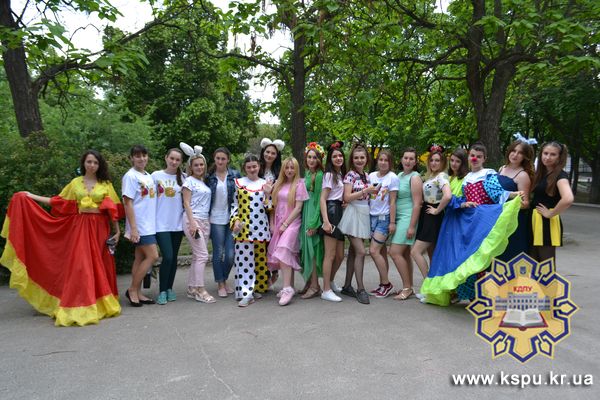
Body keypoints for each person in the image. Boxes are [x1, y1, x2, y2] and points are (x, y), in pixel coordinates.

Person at [0, 150, 123, 326]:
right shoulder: (75, 183)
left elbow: (113, 211)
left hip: (100, 229)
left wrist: (116, 232)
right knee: (81, 266)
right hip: (81, 228)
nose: (92, 165)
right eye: (89, 162)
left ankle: (98, 303)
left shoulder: (106, 184)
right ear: (84, 163)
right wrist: (30, 196)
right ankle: (79, 305)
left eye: (95, 162)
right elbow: (57, 201)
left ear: (99, 165)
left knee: (98, 265)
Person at [421, 143, 523, 306]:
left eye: (479, 156)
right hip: (466, 220)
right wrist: (463, 204)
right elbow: (458, 198)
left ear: (484, 159)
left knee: (479, 257)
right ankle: (468, 294)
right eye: (472, 155)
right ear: (468, 157)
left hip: (482, 219)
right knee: (466, 257)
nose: (475, 159)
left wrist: (514, 194)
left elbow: (497, 193)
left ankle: (482, 296)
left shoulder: (488, 174)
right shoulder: (467, 178)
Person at [338, 143, 379, 305]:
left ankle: (347, 286)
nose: (359, 160)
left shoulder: (366, 176)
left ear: (366, 159)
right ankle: (361, 288)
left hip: (363, 213)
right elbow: (347, 197)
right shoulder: (350, 175)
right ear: (352, 159)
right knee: (361, 251)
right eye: (356, 158)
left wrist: (374, 193)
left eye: (362, 157)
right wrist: (365, 191)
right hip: (353, 214)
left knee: (354, 252)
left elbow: (367, 196)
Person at [230, 154, 271, 307]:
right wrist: (235, 220)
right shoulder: (239, 183)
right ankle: (246, 293)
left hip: (260, 229)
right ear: (244, 168)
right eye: (249, 167)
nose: (252, 169)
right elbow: (234, 205)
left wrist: (268, 194)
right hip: (243, 230)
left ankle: (256, 288)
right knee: (244, 261)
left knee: (260, 261)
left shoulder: (265, 183)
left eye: (254, 166)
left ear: (259, 167)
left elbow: (269, 207)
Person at [267, 157, 309, 306]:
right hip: (279, 221)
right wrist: (273, 223)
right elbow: (272, 205)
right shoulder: (278, 184)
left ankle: (287, 289)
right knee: (285, 254)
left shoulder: (299, 184)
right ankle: (290, 285)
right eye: (287, 167)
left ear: (296, 169)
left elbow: (298, 208)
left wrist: (286, 224)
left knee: (283, 251)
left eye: (292, 167)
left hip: (292, 223)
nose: (289, 170)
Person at [122, 145, 159, 307]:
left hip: (149, 224)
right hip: (139, 225)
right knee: (153, 256)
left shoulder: (147, 176)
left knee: (140, 257)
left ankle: (137, 292)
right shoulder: (130, 176)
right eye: (137, 156)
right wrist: (134, 228)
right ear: (131, 158)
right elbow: (128, 203)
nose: (142, 159)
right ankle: (132, 289)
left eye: (144, 155)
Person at [410, 145, 452, 288]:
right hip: (426, 215)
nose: (434, 163)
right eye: (432, 160)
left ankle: (428, 285)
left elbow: (447, 196)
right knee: (432, 254)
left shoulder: (441, 176)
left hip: (433, 217)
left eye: (437, 160)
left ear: (443, 162)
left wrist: (437, 210)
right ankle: (436, 287)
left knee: (415, 252)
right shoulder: (431, 176)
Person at [180, 143, 215, 304]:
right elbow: (186, 203)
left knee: (196, 256)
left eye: (201, 164)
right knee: (202, 255)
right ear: (191, 167)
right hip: (192, 219)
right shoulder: (189, 181)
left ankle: (192, 288)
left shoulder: (202, 182)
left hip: (205, 220)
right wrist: (192, 223)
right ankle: (200, 289)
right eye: (196, 165)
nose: (199, 167)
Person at [530, 141, 574, 264]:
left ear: (559, 157)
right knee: (532, 263)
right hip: (534, 220)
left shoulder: (560, 176)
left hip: (546, 223)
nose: (548, 157)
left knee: (545, 266)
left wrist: (551, 213)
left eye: (553, 154)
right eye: (545, 153)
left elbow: (568, 198)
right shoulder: (542, 173)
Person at [206, 147, 241, 298]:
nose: (220, 161)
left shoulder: (235, 175)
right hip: (215, 219)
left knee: (230, 254)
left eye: (223, 159)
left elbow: (241, 195)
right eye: (218, 158)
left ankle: (224, 278)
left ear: (228, 160)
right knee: (218, 252)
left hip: (232, 218)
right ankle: (220, 283)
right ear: (214, 159)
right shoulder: (209, 177)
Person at [389, 148, 423, 300]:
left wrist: (411, 226)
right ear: (401, 159)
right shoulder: (399, 176)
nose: (408, 161)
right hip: (398, 217)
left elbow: (417, 204)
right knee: (403, 254)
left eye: (411, 159)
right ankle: (409, 286)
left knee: (394, 252)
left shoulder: (415, 177)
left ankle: (407, 288)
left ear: (415, 162)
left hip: (408, 218)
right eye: (406, 158)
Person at [152, 148, 185, 305]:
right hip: (161, 224)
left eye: (177, 160)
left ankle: (170, 288)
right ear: (166, 158)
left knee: (174, 259)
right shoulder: (155, 176)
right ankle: (162, 291)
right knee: (168, 256)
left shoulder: (184, 178)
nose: (174, 162)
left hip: (177, 224)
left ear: (181, 162)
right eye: (172, 158)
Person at [367, 149, 399, 298]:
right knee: (381, 252)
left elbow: (392, 201)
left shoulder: (392, 178)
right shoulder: (371, 176)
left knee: (373, 251)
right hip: (371, 217)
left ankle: (386, 284)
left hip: (384, 218)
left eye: (386, 160)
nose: (383, 162)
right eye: (381, 159)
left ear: (390, 162)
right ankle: (382, 284)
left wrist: (392, 222)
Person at [497, 138, 535, 261]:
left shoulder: (523, 175)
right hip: (498, 219)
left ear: (525, 157)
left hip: (514, 222)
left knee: (510, 256)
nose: (515, 155)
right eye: (513, 151)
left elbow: (526, 203)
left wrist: (508, 205)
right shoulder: (501, 168)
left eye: (520, 153)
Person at [319, 141, 346, 302]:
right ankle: (326, 290)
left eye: (340, 155)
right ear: (330, 159)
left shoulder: (340, 174)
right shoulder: (329, 175)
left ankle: (330, 281)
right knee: (330, 255)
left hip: (339, 212)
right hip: (331, 212)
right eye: (335, 156)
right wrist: (326, 221)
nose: (338, 158)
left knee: (340, 255)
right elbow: (323, 199)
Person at [299, 142, 325, 299]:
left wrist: (314, 223)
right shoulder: (307, 174)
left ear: (319, 159)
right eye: (309, 157)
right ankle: (309, 282)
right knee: (305, 250)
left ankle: (315, 286)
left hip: (313, 214)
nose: (311, 160)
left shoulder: (320, 175)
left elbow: (319, 199)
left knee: (313, 251)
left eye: (315, 157)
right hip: (305, 212)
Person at [259, 137, 284, 287]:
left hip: (273, 210)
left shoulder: (279, 172)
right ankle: (263, 275)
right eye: (267, 152)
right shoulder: (256, 168)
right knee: (261, 243)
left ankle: (274, 271)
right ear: (263, 152)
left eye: (273, 153)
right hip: (257, 209)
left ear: (277, 155)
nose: (269, 155)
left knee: (273, 242)